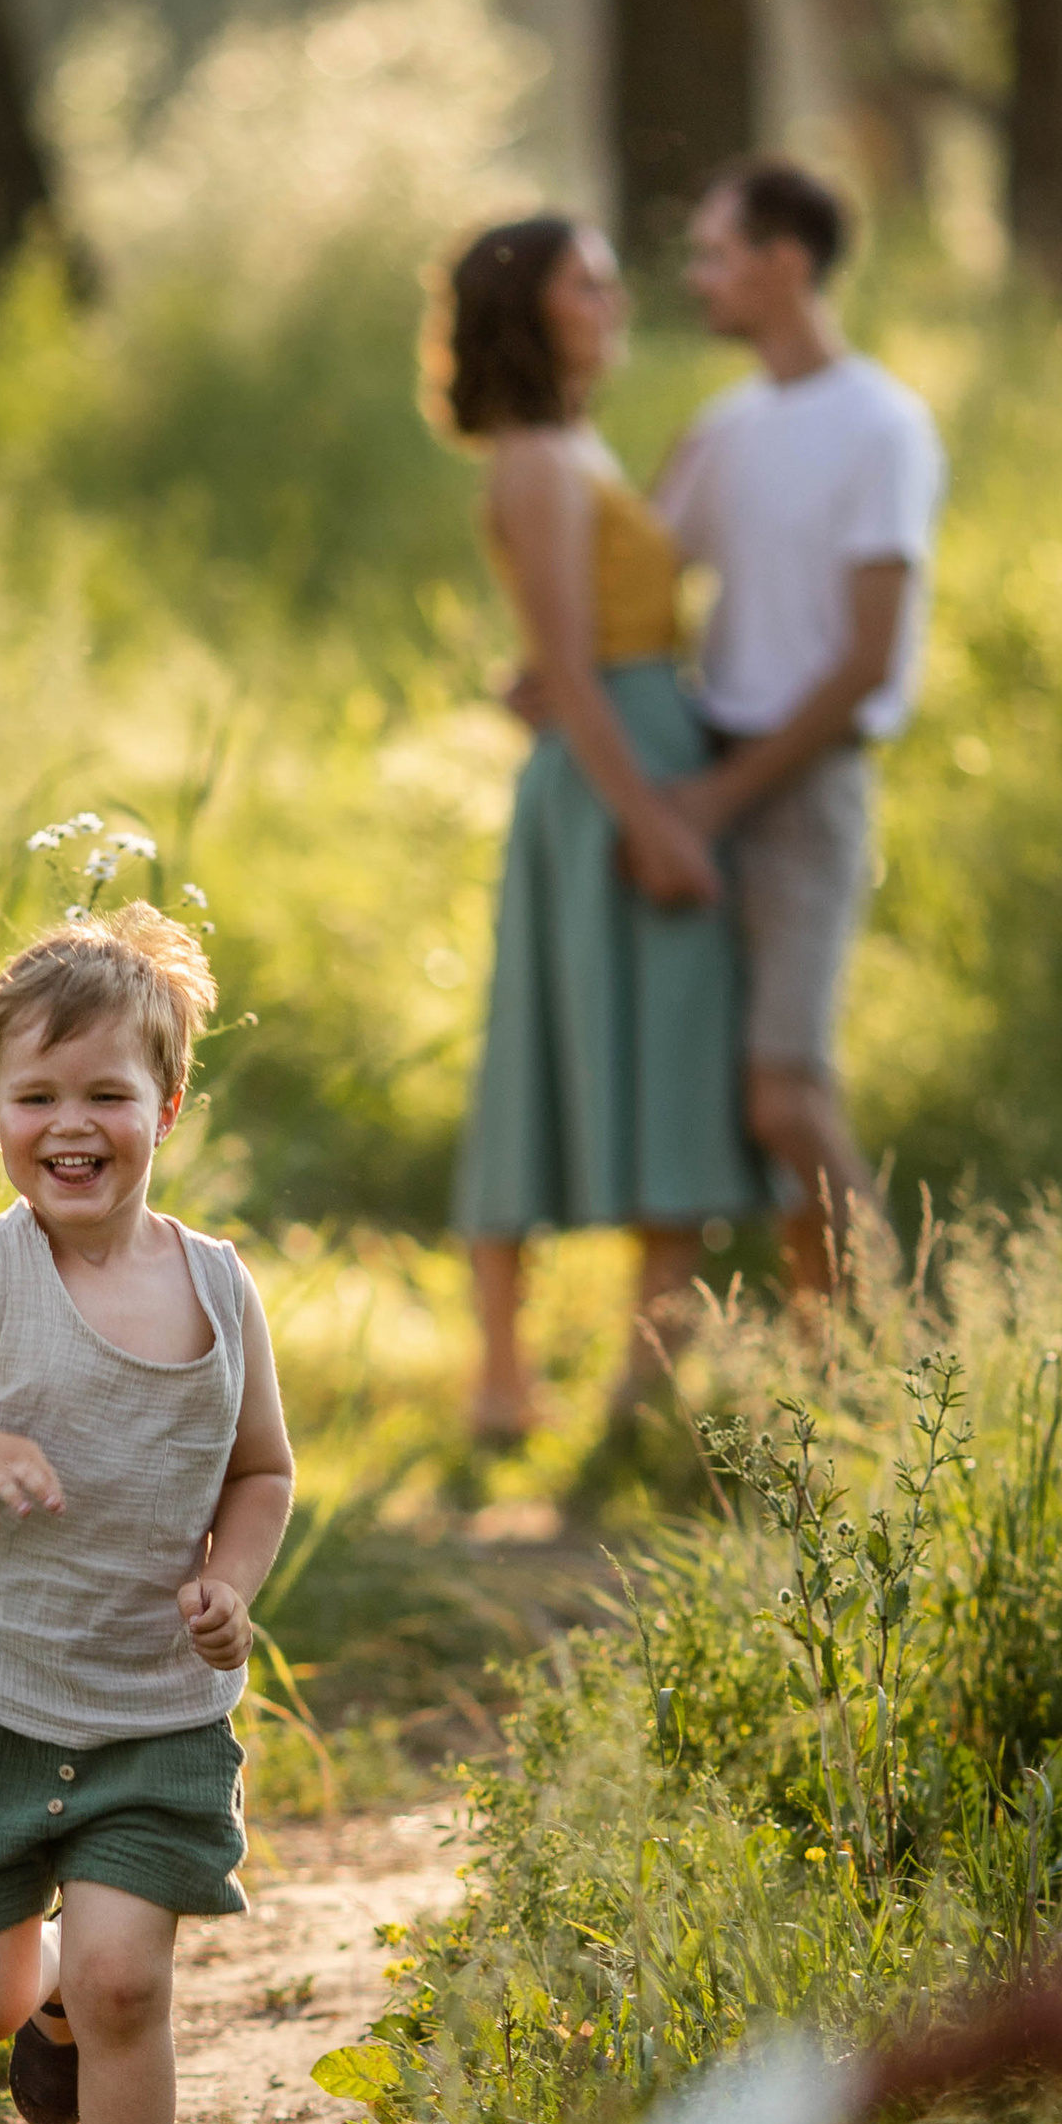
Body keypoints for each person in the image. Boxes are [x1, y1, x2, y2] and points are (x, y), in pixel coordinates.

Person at [0, 906, 295, 2124]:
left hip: (151, 1705)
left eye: (106, 1093)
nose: (72, 1123)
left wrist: (231, 1581)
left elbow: (263, 1471)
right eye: (35, 1095)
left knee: (129, 1978)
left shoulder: (220, 1290)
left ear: (166, 1104)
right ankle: (35, 1997)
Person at [431, 214, 768, 1450]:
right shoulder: (533, 457)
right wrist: (659, 826)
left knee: (673, 1051)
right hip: (609, 777)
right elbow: (568, 667)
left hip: (638, 745)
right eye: (589, 279)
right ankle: (501, 1380)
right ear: (532, 308)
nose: (616, 294)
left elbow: (557, 650)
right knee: (541, 1050)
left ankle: (647, 1377)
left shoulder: (576, 443)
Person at [655, 156, 948, 1302]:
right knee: (726, 1092)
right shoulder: (725, 427)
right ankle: (820, 1360)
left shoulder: (883, 425)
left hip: (802, 786)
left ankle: (913, 1344)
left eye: (717, 254)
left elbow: (867, 658)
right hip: (702, 770)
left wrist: (721, 801)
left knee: (785, 1090)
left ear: (786, 265)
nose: (698, 278)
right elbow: (643, 568)